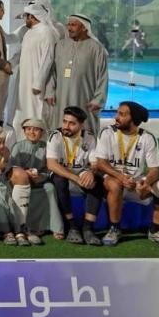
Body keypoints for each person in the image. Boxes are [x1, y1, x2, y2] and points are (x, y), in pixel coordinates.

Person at [96, 101, 159, 250]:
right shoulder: (107, 133)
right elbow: (101, 163)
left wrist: (146, 183)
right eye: (117, 113)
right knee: (115, 184)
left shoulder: (147, 137)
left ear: (133, 119)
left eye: (122, 114)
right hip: (112, 180)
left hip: (136, 183)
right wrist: (121, 177)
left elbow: (155, 169)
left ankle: (155, 231)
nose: (116, 117)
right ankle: (115, 228)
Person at [46, 105, 107, 245]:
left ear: (81, 125)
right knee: (60, 180)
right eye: (64, 121)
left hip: (81, 172)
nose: (66, 126)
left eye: (71, 123)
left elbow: (95, 163)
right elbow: (51, 165)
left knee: (97, 182)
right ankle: (71, 225)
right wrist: (75, 178)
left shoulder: (89, 137)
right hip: (62, 173)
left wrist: (91, 172)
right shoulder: (55, 136)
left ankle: (88, 228)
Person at [47, 14, 108, 138]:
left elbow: (103, 76)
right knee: (60, 129)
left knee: (85, 132)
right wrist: (50, 91)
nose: (69, 28)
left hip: (85, 99)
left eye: (73, 25)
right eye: (68, 25)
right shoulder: (60, 45)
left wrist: (98, 100)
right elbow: (52, 71)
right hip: (61, 98)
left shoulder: (96, 48)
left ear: (84, 27)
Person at [7, 117, 64, 244]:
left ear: (41, 132)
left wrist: (41, 177)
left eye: (36, 130)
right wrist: (24, 174)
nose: (32, 132)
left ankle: (53, 227)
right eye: (28, 129)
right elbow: (13, 168)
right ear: (24, 131)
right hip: (21, 182)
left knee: (50, 188)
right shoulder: (18, 146)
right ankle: (25, 226)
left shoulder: (46, 147)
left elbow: (49, 169)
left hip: (39, 181)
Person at [12, 2, 58, 134]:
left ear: (32, 16)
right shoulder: (30, 32)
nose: (25, 20)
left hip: (36, 86)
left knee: (36, 113)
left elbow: (48, 60)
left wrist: (38, 83)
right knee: (22, 113)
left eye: (26, 16)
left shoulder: (47, 32)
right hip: (24, 83)